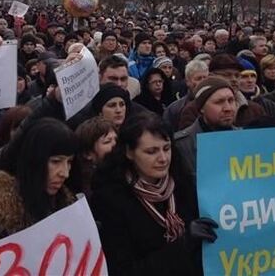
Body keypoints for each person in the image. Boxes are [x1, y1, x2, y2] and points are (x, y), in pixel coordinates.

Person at [92, 113, 215, 275]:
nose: (163, 158)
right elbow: (124, 270)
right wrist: (184, 243)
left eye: (166, 148)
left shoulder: (184, 184)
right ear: (129, 152)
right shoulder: (109, 200)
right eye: (151, 151)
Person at [0, 118, 77, 238]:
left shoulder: (65, 205)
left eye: (69, 162)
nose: (65, 173)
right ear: (34, 159)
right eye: (55, 161)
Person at [175, 77, 238, 183]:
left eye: (231, 100)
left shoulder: (245, 140)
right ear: (202, 108)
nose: (228, 108)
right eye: (219, 102)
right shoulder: (181, 146)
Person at [71, 116, 117, 198]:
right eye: (107, 142)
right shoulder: (91, 191)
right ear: (87, 154)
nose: (115, 145)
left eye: (116, 140)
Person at [164, 59, 209, 131]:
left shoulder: (217, 105)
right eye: (198, 78)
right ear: (188, 81)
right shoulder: (174, 109)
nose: (203, 82)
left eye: (205, 78)